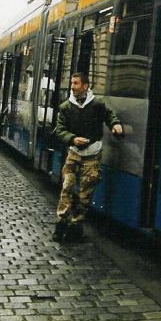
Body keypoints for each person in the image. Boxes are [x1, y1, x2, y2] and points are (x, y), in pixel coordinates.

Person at [54, 71, 123, 242]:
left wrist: (116, 125)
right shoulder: (65, 107)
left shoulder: (98, 104)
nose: (72, 87)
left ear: (85, 86)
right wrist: (72, 139)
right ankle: (61, 224)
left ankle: (76, 226)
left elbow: (109, 115)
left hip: (92, 155)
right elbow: (60, 129)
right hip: (74, 154)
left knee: (86, 193)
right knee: (67, 187)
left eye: (76, 83)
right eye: (72, 83)